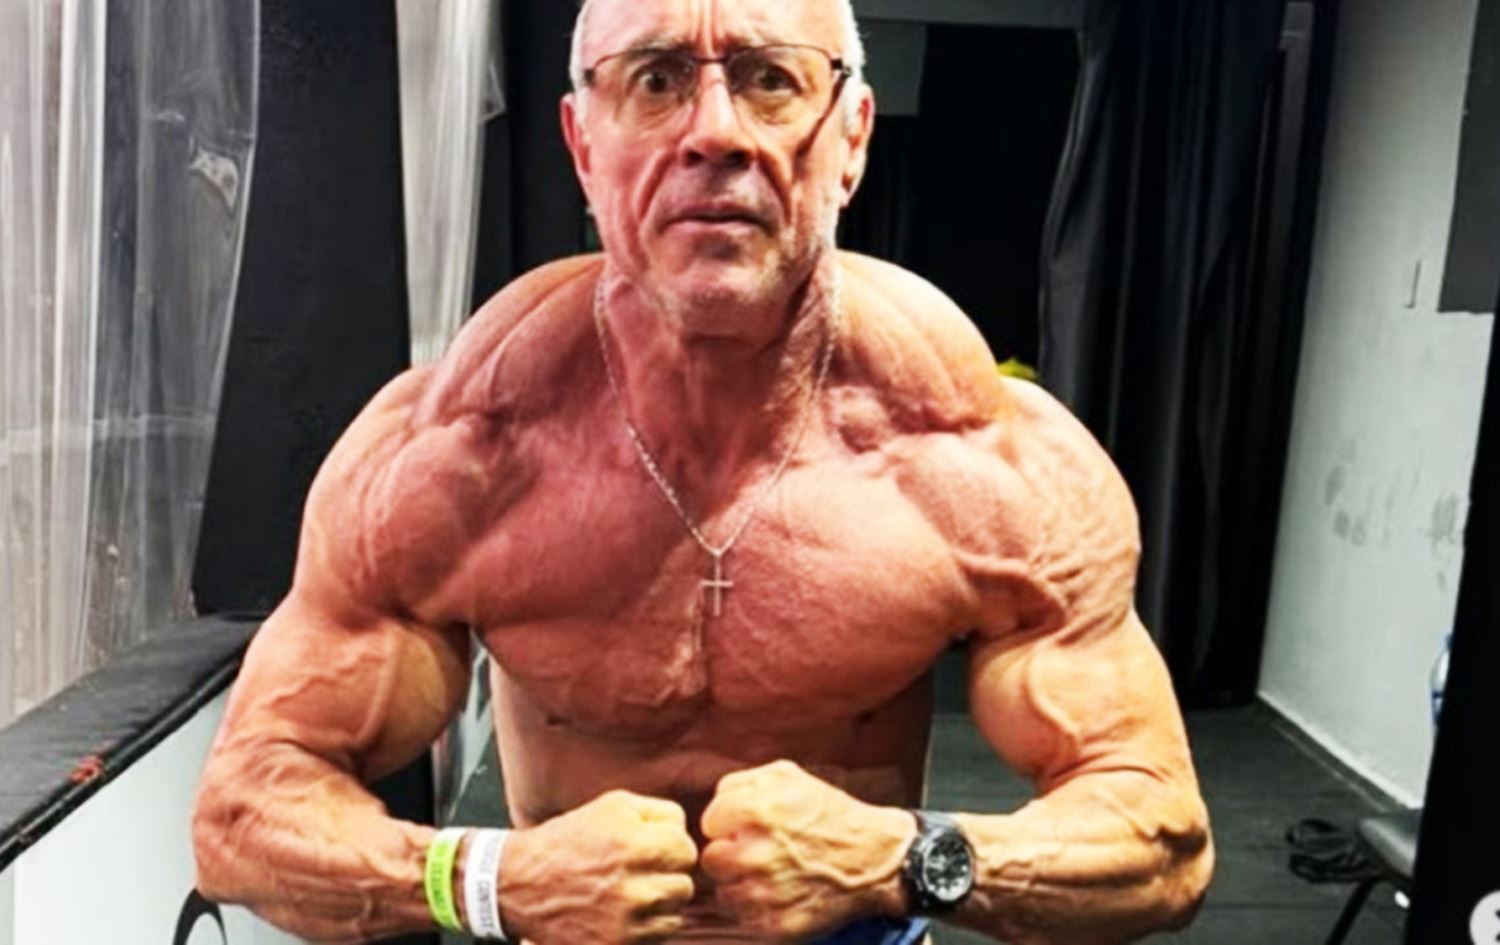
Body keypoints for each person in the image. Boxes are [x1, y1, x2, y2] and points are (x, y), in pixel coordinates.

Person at [192, 0, 1214, 941]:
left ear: (853, 139)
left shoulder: (975, 454)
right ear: (582, 146)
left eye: (771, 79)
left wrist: (904, 859)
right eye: (656, 78)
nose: (715, 132)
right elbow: (243, 817)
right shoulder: (462, 447)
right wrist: (491, 878)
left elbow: (1163, 838)